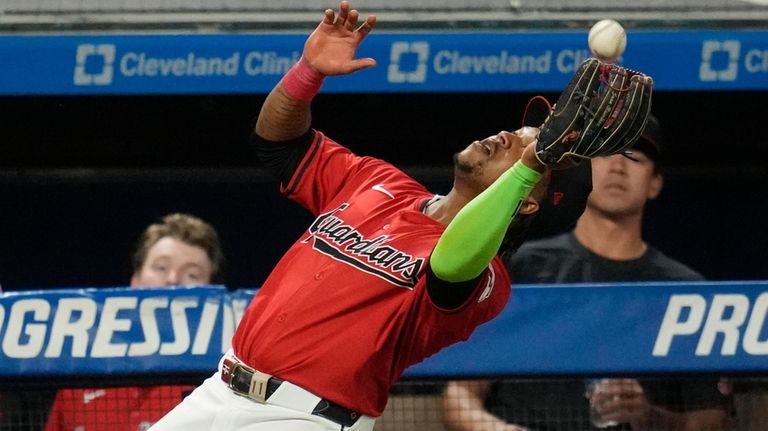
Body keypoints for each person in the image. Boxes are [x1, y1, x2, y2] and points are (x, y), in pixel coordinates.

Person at [149, 2, 650, 430]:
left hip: (301, 417)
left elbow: (451, 264)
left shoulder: (487, 281)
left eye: (523, 150)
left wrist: (531, 165)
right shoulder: (378, 182)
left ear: (529, 199)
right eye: (520, 133)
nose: (510, 137)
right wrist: (309, 73)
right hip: (219, 389)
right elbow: (277, 144)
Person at [442, 116, 733, 431]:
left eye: (634, 157)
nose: (618, 167)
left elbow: (711, 422)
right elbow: (459, 394)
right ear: (582, 169)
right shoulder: (521, 266)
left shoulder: (684, 290)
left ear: (655, 182)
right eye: (605, 153)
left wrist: (647, 416)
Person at [44, 213, 226, 431]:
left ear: (213, 292)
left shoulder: (223, 381)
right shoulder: (81, 375)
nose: (172, 280)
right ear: (135, 281)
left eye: (192, 275)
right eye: (161, 267)